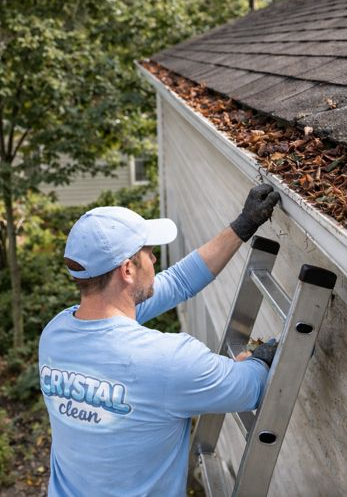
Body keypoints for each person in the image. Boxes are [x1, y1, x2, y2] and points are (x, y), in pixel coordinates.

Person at [38, 184, 282, 497]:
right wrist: (260, 359)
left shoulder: (55, 335)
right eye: (147, 252)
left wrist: (243, 225)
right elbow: (251, 388)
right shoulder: (167, 360)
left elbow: (178, 281)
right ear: (128, 269)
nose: (154, 257)